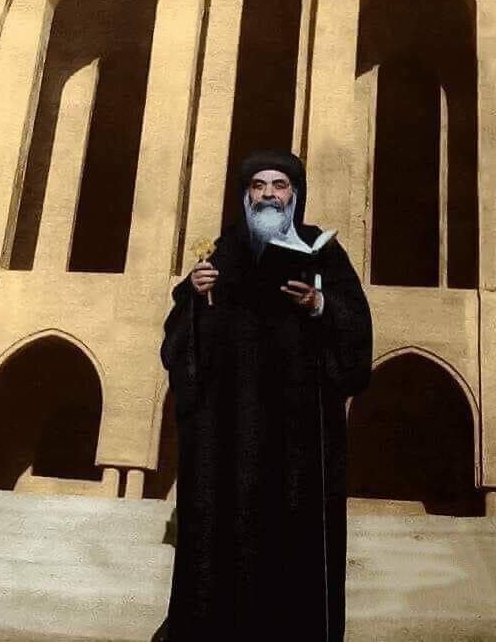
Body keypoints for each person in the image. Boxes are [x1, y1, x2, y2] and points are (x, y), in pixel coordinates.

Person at [158, 149, 373, 642]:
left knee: (291, 551)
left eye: (279, 185)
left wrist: (320, 303)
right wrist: (195, 295)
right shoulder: (221, 252)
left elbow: (356, 327)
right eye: (259, 185)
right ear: (246, 195)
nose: (269, 194)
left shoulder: (321, 251)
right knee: (223, 550)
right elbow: (179, 344)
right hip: (229, 440)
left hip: (297, 445)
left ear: (294, 194)